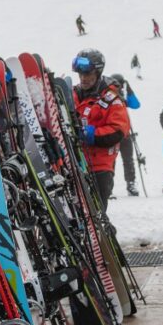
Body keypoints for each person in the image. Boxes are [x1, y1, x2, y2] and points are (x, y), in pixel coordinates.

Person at [71, 49, 129, 209]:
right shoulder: (72, 94)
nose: (83, 78)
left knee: (96, 212)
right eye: (80, 74)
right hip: (74, 162)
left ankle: (104, 232)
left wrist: (92, 134)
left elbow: (119, 130)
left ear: (97, 73)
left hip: (99, 167)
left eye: (88, 74)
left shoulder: (111, 99)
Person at [107, 73, 142, 196]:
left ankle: (130, 184)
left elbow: (136, 105)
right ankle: (108, 186)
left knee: (128, 160)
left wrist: (129, 90)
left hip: (125, 134)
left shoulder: (124, 96)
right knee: (111, 161)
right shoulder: (109, 96)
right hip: (113, 133)